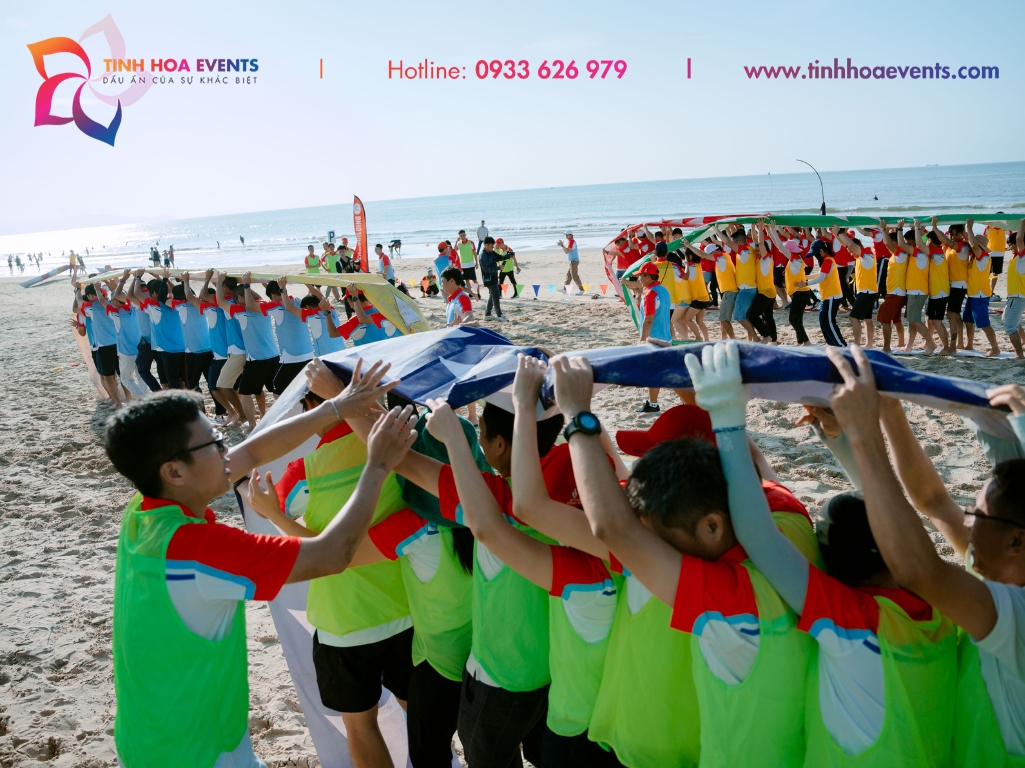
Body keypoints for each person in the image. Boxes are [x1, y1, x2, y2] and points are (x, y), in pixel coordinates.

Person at [105, 365, 412, 768]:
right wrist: (377, 465)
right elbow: (331, 555)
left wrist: (337, 407)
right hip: (199, 755)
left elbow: (251, 453)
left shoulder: (142, 515)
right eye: (215, 443)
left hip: (146, 739)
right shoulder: (198, 550)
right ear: (174, 471)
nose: (226, 451)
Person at [688, 342, 958, 767]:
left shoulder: (853, 622)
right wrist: (837, 434)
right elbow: (894, 517)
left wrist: (726, 415)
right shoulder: (943, 605)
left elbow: (760, 537)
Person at [546, 353, 821, 768]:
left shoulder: (732, 599)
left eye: (659, 535)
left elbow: (613, 529)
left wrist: (576, 416)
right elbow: (756, 466)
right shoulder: (788, 523)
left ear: (711, 525)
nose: (650, 541)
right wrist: (700, 396)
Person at [824, 345, 1025, 767]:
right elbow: (932, 500)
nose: (966, 520)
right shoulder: (996, 574)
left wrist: (862, 436)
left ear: (1016, 542)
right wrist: (889, 409)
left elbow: (917, 569)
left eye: (978, 515)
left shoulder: (1017, 615)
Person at [234, 273, 281, 426]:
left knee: (244, 392)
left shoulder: (241, 313)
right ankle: (269, 416)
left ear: (240, 298)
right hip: (274, 356)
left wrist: (246, 285)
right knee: (276, 391)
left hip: (256, 360)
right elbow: (257, 297)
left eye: (236, 299)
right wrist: (247, 285)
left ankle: (253, 425)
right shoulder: (264, 307)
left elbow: (221, 301)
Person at [267, 277, 317, 394]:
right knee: (305, 391)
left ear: (273, 295)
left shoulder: (276, 308)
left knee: (277, 390)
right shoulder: (298, 301)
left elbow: (251, 305)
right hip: (309, 354)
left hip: (291, 358)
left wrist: (247, 286)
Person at [634, 261, 671, 413]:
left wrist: (642, 340)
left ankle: (653, 404)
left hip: (654, 339)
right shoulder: (664, 290)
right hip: (666, 337)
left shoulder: (651, 294)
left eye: (640, 276)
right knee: (660, 372)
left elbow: (648, 320)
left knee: (653, 373)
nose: (639, 279)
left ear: (647, 277)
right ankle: (653, 403)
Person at [83, 280, 126, 406]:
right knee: (122, 375)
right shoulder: (112, 304)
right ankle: (128, 398)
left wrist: (77, 291)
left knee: (108, 376)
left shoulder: (91, 308)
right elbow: (117, 293)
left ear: (91, 296)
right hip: (119, 343)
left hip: (105, 346)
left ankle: (117, 402)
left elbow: (77, 306)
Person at [801, 230, 846, 347]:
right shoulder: (826, 260)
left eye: (816, 254)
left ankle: (840, 344)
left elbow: (820, 278)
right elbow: (819, 274)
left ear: (821, 251)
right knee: (823, 320)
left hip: (832, 296)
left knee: (829, 321)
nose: (815, 257)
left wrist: (805, 283)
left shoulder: (828, 261)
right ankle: (831, 343)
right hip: (827, 296)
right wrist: (804, 276)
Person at [964, 219, 1002, 357]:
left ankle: (995, 348)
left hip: (980, 295)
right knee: (968, 319)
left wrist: (969, 227)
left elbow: (974, 245)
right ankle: (969, 344)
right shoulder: (974, 258)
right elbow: (972, 244)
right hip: (973, 294)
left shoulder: (983, 256)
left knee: (984, 323)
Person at [715, 224, 758, 342]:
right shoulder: (750, 248)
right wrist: (753, 227)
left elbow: (727, 241)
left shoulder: (744, 251)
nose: (733, 246)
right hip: (747, 287)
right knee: (745, 316)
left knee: (739, 316)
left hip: (746, 289)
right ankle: (752, 339)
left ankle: (755, 338)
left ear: (739, 243)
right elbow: (733, 239)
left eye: (735, 243)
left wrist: (716, 230)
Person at [836, 227, 877, 349]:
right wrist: (836, 233)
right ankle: (869, 344)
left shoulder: (866, 255)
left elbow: (850, 245)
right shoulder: (863, 256)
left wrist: (840, 232)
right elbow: (846, 244)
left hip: (866, 292)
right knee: (867, 319)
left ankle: (857, 344)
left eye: (850, 251)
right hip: (869, 291)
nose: (850, 253)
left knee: (853, 317)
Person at [876, 221, 909, 353]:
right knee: (896, 320)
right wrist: (891, 229)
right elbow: (890, 242)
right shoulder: (901, 254)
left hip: (896, 293)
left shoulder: (900, 254)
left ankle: (886, 347)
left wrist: (883, 229)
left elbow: (887, 243)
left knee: (884, 319)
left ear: (895, 243)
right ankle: (901, 342)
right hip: (898, 292)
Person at [1004, 221, 1025, 358]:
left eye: (1011, 244)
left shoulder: (1023, 257)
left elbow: (1019, 238)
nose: (1009, 247)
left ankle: (1019, 355)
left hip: (1017, 297)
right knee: (1007, 319)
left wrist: (1023, 223)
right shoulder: (1018, 257)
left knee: (1010, 327)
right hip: (1016, 296)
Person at [478, 236, 507, 322]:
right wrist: (498, 268)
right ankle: (499, 315)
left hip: (494, 277)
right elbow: (486, 269)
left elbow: (498, 257)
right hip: (488, 279)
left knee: (492, 295)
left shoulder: (491, 252)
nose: (493, 247)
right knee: (496, 295)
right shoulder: (482, 255)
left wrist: (507, 256)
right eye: (491, 245)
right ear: (486, 245)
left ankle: (487, 314)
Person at [455, 230, 480, 300]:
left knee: (474, 280)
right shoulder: (459, 243)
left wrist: (476, 263)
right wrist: (456, 241)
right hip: (463, 265)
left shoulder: (471, 242)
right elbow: (455, 249)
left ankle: (477, 294)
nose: (462, 237)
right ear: (459, 237)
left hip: (471, 265)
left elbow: (474, 253)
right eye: (461, 236)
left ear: (465, 235)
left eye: (463, 235)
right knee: (467, 281)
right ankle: (471, 294)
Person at [985, 224, 1007, 299]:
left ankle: (991, 291)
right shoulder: (988, 227)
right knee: (987, 272)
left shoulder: (1005, 227)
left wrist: (1009, 247)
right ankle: (987, 290)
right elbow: (983, 238)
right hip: (989, 253)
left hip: (1000, 253)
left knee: (996, 272)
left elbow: (1012, 237)